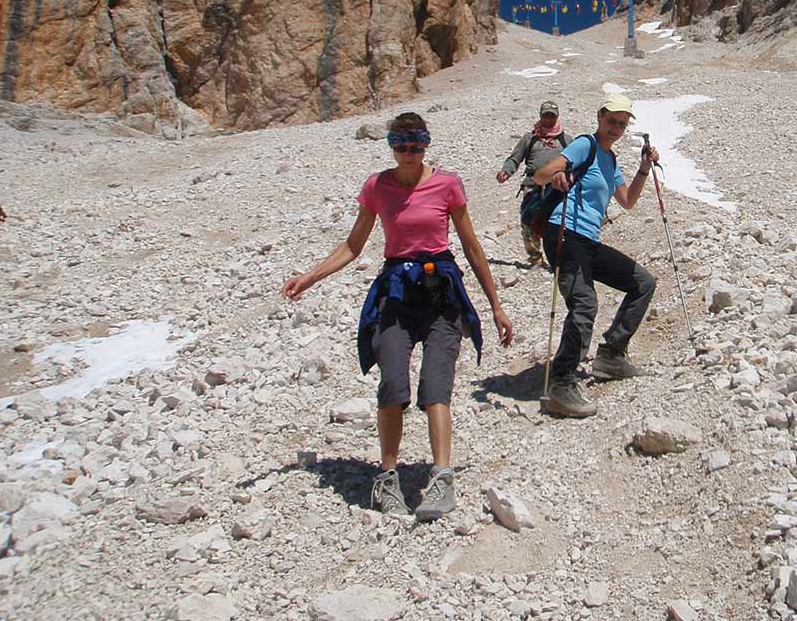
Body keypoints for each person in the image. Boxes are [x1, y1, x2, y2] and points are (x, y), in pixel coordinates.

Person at [282, 112, 513, 521]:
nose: (409, 153)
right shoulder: (377, 187)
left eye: (417, 145)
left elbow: (472, 246)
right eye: (402, 145)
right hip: (396, 293)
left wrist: (495, 306)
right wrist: (311, 277)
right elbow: (354, 244)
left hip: (440, 292)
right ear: (391, 145)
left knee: (435, 385)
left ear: (427, 144)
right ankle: (387, 478)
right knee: (392, 384)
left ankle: (442, 476)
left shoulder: (448, 184)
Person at [533, 93, 659, 418]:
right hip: (565, 233)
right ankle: (561, 382)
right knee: (585, 303)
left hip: (588, 240)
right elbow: (541, 174)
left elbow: (628, 200)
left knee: (643, 282)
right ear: (600, 116)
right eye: (612, 121)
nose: (616, 127)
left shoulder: (610, 159)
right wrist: (558, 175)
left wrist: (644, 168)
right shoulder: (584, 145)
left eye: (622, 123)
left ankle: (611, 356)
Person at [497, 101, 573, 265]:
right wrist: (506, 172)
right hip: (533, 185)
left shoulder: (566, 140)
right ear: (540, 116)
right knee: (528, 220)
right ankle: (535, 257)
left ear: (557, 117)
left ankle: (559, 257)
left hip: (558, 187)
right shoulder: (529, 138)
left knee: (559, 221)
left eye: (551, 116)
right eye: (545, 116)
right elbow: (515, 158)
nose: (548, 120)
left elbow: (576, 162)